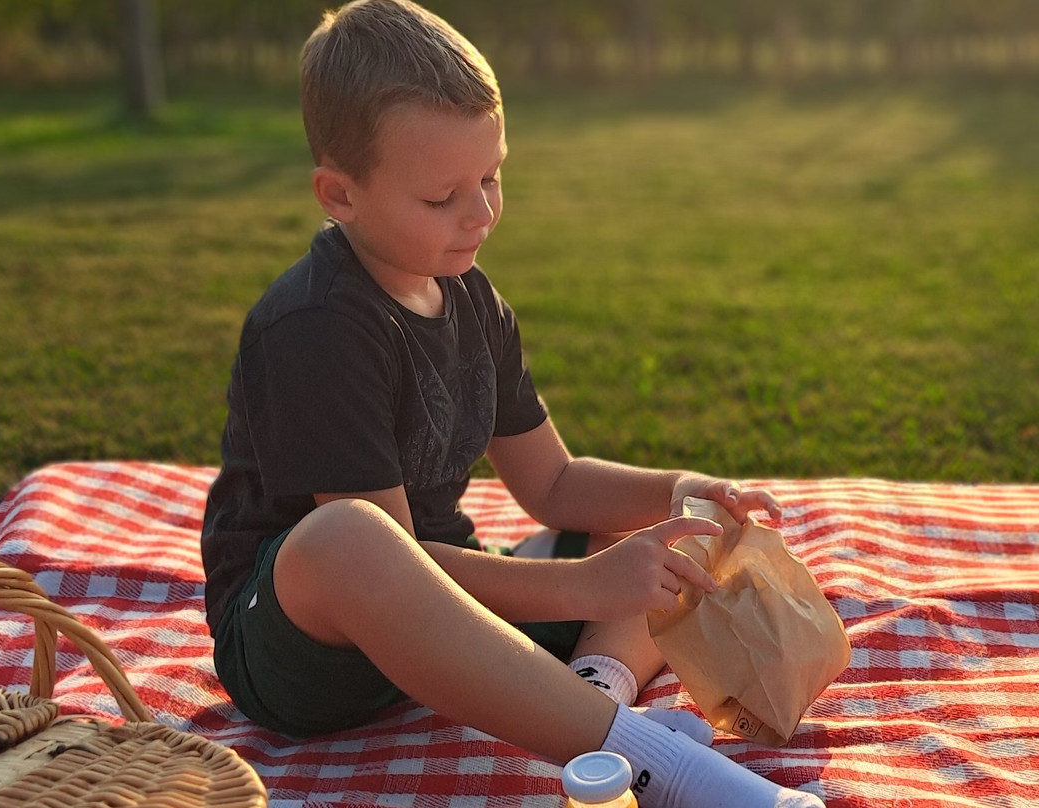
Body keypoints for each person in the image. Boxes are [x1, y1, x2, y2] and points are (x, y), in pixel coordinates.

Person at [201, 2, 825, 806]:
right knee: (345, 537)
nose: (483, 212)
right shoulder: (316, 325)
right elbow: (392, 558)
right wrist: (583, 588)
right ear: (340, 195)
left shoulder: (471, 299)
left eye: (491, 177)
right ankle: (657, 768)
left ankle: (595, 696)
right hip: (301, 649)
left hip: (446, 619)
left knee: (649, 531)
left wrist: (681, 491)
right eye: (442, 197)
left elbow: (555, 484)